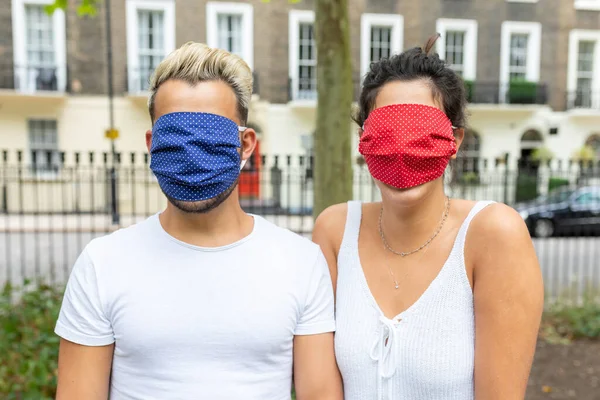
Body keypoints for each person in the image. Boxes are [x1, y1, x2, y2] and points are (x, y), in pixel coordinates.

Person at [54, 42, 343, 400]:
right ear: (151, 143)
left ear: (246, 145)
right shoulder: (102, 263)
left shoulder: (301, 262)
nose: (192, 156)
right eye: (175, 139)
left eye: (209, 139)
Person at [313, 34, 544, 400]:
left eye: (420, 133)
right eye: (386, 133)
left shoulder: (494, 234)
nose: (403, 152)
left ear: (454, 140)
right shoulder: (335, 231)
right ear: (363, 139)